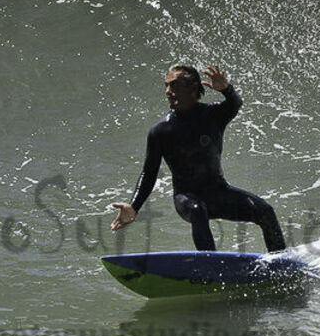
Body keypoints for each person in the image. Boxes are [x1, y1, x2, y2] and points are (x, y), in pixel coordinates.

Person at [110, 64, 287, 252]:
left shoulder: (213, 115)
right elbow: (149, 172)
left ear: (193, 87)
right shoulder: (161, 131)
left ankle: (280, 263)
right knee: (197, 209)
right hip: (186, 197)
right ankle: (210, 264)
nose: (168, 91)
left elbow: (235, 104)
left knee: (265, 211)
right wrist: (134, 206)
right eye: (166, 86)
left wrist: (226, 89)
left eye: (175, 85)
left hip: (218, 192)